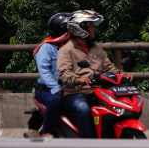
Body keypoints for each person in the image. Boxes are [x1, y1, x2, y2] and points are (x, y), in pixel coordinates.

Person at [57, 10, 133, 138]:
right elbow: (63, 73)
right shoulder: (67, 50)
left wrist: (122, 74)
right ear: (80, 28)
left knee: (115, 108)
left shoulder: (97, 48)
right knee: (83, 109)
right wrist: (79, 79)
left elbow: (108, 66)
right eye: (91, 26)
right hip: (76, 94)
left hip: (99, 92)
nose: (94, 29)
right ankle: (89, 145)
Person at [33, 12, 71, 138]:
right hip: (46, 90)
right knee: (55, 101)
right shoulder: (46, 48)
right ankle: (46, 132)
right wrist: (56, 88)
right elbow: (44, 72)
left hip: (65, 88)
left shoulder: (68, 47)